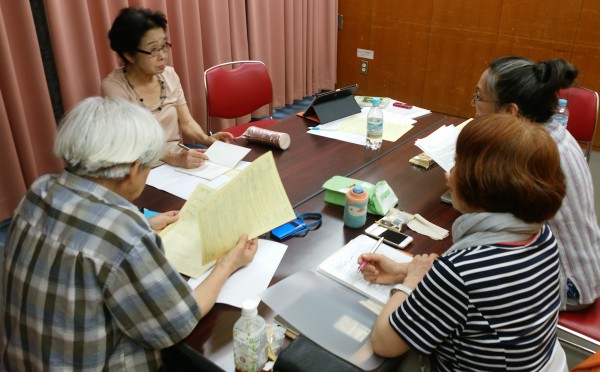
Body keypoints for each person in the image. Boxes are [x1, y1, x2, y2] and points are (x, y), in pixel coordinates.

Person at [0, 97, 257, 371]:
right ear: (134, 169)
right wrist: (227, 264)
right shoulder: (124, 233)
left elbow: (80, 237)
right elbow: (179, 322)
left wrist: (145, 224)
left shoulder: (40, 190)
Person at [359, 114, 568, 370]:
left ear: (481, 183)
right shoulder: (541, 235)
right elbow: (483, 291)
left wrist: (411, 283)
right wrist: (405, 271)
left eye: (457, 163)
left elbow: (384, 343)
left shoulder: (461, 272)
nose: (449, 174)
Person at [472, 56, 600, 310]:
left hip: (569, 284)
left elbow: (486, 217)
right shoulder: (551, 131)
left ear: (510, 111)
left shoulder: (532, 155)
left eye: (479, 97)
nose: (475, 106)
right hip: (585, 265)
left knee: (460, 279)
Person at [101, 7, 233, 169]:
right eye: (153, 49)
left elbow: (187, 123)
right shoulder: (114, 87)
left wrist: (209, 140)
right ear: (129, 55)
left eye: (164, 46)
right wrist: (173, 158)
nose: (162, 55)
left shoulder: (169, 75)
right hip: (140, 168)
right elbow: (130, 141)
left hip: (179, 157)